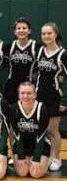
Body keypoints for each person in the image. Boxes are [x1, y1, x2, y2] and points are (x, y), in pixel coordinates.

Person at [35, 22, 67, 171]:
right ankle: (46, 157)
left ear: (55, 34)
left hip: (55, 97)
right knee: (43, 129)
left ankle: (56, 158)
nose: (46, 36)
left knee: (53, 130)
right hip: (39, 95)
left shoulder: (63, 54)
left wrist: (65, 100)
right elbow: (37, 72)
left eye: (49, 33)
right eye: (43, 34)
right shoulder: (40, 51)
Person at [10, 81, 50, 178]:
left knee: (36, 174)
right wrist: (21, 155)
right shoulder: (14, 108)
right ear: (18, 95)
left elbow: (41, 136)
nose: (26, 96)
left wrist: (36, 158)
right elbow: (16, 134)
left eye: (29, 93)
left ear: (35, 94)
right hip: (21, 145)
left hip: (40, 146)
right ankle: (25, 159)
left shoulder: (42, 109)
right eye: (22, 93)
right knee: (22, 173)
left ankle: (45, 162)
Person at [4, 17, 40, 105]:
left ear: (29, 31)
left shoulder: (37, 46)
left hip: (29, 84)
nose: (21, 30)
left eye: (24, 28)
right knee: (10, 111)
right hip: (12, 84)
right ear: (15, 32)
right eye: (18, 28)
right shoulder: (9, 46)